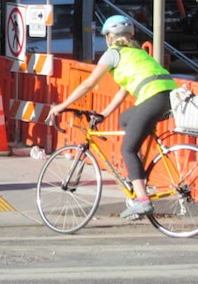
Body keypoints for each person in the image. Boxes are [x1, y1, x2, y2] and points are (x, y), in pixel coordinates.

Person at [48, 15, 178, 219]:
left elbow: (88, 84)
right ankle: (136, 178)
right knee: (125, 119)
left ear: (109, 37)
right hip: (169, 96)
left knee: (128, 149)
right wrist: (104, 114)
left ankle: (143, 200)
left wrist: (62, 106)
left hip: (152, 98)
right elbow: (122, 92)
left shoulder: (113, 54)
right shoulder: (137, 53)